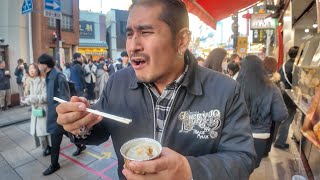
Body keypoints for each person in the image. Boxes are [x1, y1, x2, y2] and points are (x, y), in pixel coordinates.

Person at [56, 1, 256, 179]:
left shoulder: (225, 90)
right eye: (129, 34)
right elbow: (97, 130)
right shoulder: (118, 82)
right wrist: (79, 124)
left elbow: (242, 159)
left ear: (182, 40)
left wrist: (189, 171)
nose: (133, 46)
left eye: (145, 32)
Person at [38, 54, 86, 176]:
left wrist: (57, 112)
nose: (38, 66)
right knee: (68, 133)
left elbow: (65, 98)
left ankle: (54, 164)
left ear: (45, 64)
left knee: (55, 141)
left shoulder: (58, 76)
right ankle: (80, 146)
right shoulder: (49, 75)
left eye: (39, 64)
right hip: (54, 115)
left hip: (57, 116)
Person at [237, 55, 288, 167]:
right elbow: (281, 114)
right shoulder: (272, 88)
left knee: (237, 167)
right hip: (260, 136)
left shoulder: (235, 86)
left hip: (236, 133)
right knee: (251, 167)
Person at [22, 63, 51, 156]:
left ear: (37, 70)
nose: (31, 70)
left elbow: (45, 97)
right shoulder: (28, 81)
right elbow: (27, 96)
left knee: (44, 131)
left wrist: (31, 98)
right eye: (30, 69)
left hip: (43, 109)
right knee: (38, 132)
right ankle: (46, 147)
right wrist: (25, 100)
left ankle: (50, 147)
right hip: (35, 110)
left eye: (33, 68)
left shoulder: (43, 81)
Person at [274, 46, 299, 149]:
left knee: (280, 118)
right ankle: (280, 142)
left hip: (281, 95)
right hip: (290, 97)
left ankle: (274, 138)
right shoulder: (296, 67)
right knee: (287, 119)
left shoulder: (284, 65)